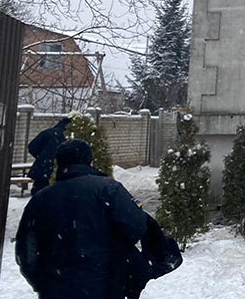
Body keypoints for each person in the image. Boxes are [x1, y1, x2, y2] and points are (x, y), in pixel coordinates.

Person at [15, 139, 149, 299]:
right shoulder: (109, 190)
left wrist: (42, 283)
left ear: (58, 163)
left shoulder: (42, 198)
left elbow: (26, 250)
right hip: (104, 285)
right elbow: (137, 226)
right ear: (90, 161)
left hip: (56, 288)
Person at [26, 116, 72, 194]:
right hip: (61, 172)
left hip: (43, 169)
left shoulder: (48, 132)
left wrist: (41, 157)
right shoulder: (69, 138)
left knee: (39, 193)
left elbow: (32, 147)